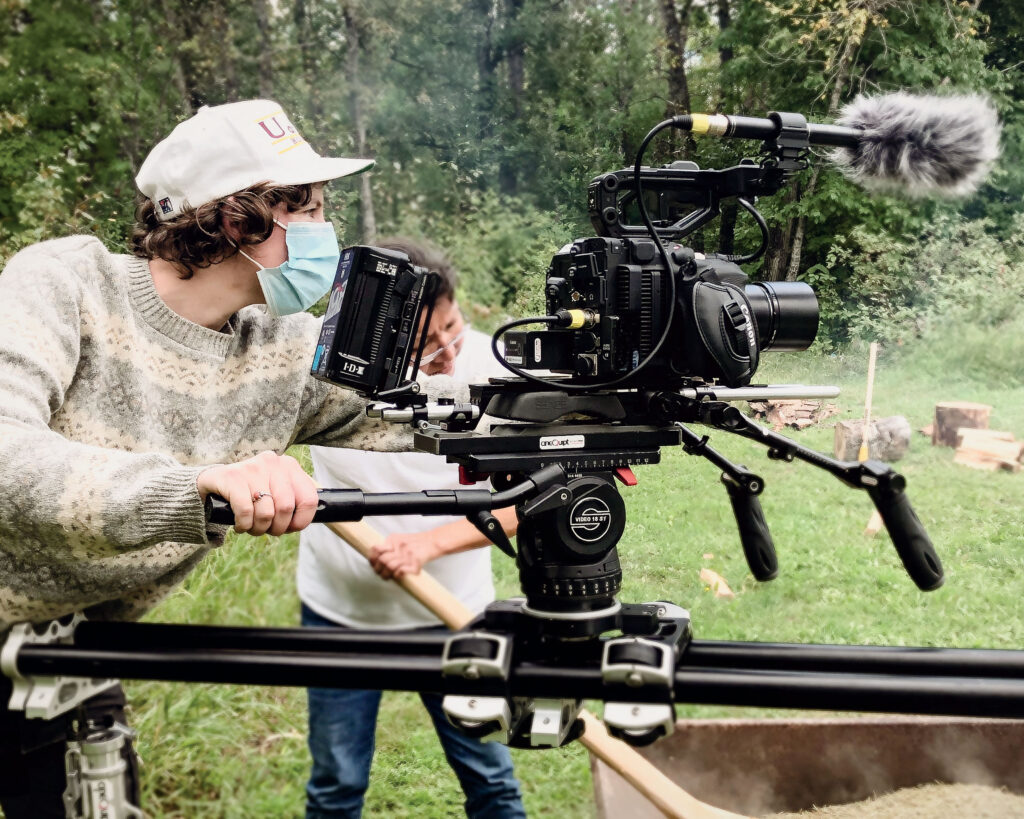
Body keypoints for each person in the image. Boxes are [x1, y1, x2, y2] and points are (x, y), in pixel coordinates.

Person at [0, 99, 423, 817]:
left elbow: (413, 413)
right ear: (237, 219)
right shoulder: (66, 284)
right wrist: (195, 487)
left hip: (64, 649)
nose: (328, 230)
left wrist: (571, 400)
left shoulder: (281, 345)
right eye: (311, 209)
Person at [297, 236, 526, 819]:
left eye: (452, 328)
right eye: (425, 344)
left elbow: (530, 499)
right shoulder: (321, 381)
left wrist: (428, 543)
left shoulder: (494, 374)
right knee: (336, 786)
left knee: (490, 779)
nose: (448, 352)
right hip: (339, 618)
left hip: (457, 614)